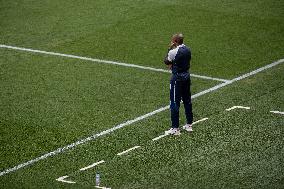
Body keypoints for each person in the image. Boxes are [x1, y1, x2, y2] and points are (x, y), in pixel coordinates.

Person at [164, 33, 193, 135]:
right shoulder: (188, 49)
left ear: (175, 41)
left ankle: (175, 128)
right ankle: (189, 124)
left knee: (174, 103)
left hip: (177, 79)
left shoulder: (173, 51)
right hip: (186, 77)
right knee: (187, 101)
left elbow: (166, 61)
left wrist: (169, 49)